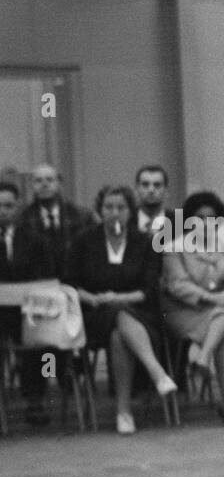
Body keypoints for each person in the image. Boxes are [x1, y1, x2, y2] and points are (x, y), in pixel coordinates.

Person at [63, 185, 176, 435]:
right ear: (100, 210)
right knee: (116, 317)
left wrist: (117, 297)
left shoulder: (145, 242)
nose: (115, 212)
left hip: (139, 313)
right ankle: (156, 372)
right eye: (109, 207)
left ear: (131, 211)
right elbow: (69, 284)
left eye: (121, 207)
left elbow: (148, 289)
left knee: (119, 330)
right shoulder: (83, 241)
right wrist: (92, 298)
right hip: (93, 312)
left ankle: (124, 412)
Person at [160, 191, 224, 428]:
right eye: (199, 218)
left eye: (211, 218)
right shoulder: (173, 248)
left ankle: (208, 367)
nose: (205, 223)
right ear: (189, 221)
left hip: (217, 312)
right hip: (182, 311)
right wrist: (215, 298)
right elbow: (178, 286)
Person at [0, 180, 61, 426]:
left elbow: (45, 278)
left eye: (8, 205)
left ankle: (36, 399)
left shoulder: (36, 240)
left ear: (18, 207)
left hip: (29, 310)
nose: (3, 210)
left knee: (43, 343)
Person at [19, 164, 95, 274]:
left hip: (76, 277)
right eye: (38, 181)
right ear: (32, 185)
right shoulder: (22, 218)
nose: (44, 184)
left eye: (49, 180)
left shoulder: (82, 215)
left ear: (59, 183)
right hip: (37, 280)